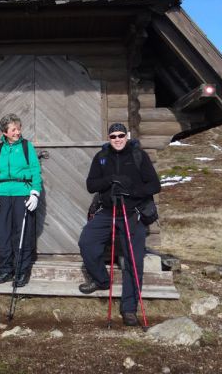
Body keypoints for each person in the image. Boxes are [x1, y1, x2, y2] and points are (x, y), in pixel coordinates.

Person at [78, 123, 160, 327]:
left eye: (121, 135)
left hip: (132, 213)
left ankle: (129, 308)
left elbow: (154, 185)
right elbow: (91, 185)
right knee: (87, 241)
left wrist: (130, 190)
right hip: (107, 212)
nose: (117, 139)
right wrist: (111, 180)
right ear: (108, 137)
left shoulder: (138, 156)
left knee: (133, 260)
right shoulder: (101, 157)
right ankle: (102, 280)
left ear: (127, 135)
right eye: (113, 136)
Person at [0, 114, 42, 287]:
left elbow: (35, 170)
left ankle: (21, 271)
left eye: (18, 128)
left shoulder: (27, 146)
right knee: (3, 234)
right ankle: (5, 270)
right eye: (13, 129)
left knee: (22, 234)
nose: (17, 132)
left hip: (22, 194)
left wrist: (35, 193)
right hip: (2, 194)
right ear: (5, 132)